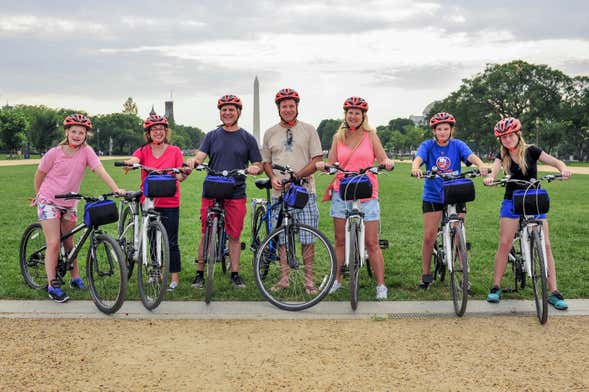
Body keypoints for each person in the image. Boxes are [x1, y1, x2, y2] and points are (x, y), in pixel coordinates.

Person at [33, 114, 124, 303]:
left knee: (70, 244)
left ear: (86, 135)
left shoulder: (87, 152)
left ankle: (75, 277)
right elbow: (39, 174)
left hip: (70, 202)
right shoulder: (54, 153)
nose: (77, 135)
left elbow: (100, 170)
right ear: (67, 132)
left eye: (81, 132)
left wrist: (115, 189)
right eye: (73, 131)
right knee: (54, 243)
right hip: (49, 199)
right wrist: (38, 195)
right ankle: (52, 285)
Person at [483, 117, 571, 309]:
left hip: (533, 200)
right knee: (505, 243)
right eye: (503, 137)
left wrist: (563, 169)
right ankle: (496, 287)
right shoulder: (502, 156)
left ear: (517, 134)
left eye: (510, 135)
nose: (507, 139)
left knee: (545, 245)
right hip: (511, 201)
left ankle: (553, 292)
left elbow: (555, 162)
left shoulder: (532, 150)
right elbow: (494, 172)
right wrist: (490, 178)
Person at [316, 97, 394, 299]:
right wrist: (325, 166)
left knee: (372, 242)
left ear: (363, 116)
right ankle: (336, 281)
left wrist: (387, 162)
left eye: (357, 113)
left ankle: (380, 285)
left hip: (367, 191)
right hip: (343, 190)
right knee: (340, 240)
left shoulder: (371, 136)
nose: (353, 116)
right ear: (346, 115)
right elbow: (332, 162)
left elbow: (382, 157)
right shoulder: (338, 137)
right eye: (350, 112)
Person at [187, 94, 262, 289]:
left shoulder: (247, 138)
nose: (227, 113)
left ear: (238, 112)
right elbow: (201, 156)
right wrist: (195, 161)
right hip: (212, 187)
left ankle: (235, 273)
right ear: (220, 113)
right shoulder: (212, 135)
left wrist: (255, 168)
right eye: (224, 110)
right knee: (205, 232)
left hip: (236, 190)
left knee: (234, 235)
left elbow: (257, 163)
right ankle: (199, 273)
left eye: (231, 109)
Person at [411, 112, 487, 289]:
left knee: (459, 235)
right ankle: (426, 275)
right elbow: (418, 159)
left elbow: (471, 157)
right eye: (439, 129)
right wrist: (415, 168)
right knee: (429, 236)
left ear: (451, 130)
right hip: (433, 196)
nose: (443, 132)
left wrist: (481, 165)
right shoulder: (428, 145)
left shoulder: (458, 145)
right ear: (434, 131)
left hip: (455, 193)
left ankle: (464, 275)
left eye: (446, 129)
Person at [261, 88, 324, 293]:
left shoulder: (309, 130)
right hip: (281, 194)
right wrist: (273, 178)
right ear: (278, 108)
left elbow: (316, 160)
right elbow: (266, 161)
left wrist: (295, 177)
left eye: (291, 106)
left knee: (308, 238)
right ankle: (284, 278)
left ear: (297, 107)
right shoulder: (270, 132)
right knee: (281, 238)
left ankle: (308, 281)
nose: (288, 109)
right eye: (284, 106)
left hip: (304, 192)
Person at [124, 114, 191, 291]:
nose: (158, 132)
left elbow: (179, 176)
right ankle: (155, 271)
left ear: (166, 131)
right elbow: (135, 159)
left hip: (170, 201)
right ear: (148, 133)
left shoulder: (175, 151)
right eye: (154, 129)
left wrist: (185, 172)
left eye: (161, 129)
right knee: (152, 239)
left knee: (171, 241)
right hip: (150, 202)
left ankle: (174, 277)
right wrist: (130, 162)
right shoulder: (143, 150)